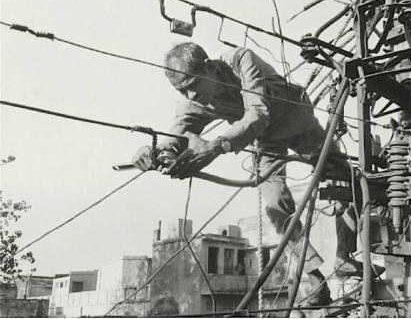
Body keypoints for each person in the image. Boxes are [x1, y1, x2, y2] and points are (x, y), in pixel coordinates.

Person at [132, 43, 383, 305]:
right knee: (277, 208)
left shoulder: (240, 61)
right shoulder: (193, 100)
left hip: (299, 122)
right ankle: (316, 280)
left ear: (209, 68)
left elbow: (258, 114)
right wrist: (155, 152)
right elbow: (178, 133)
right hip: (267, 142)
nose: (191, 94)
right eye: (181, 90)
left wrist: (216, 146)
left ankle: (344, 256)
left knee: (346, 182)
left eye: (193, 84)